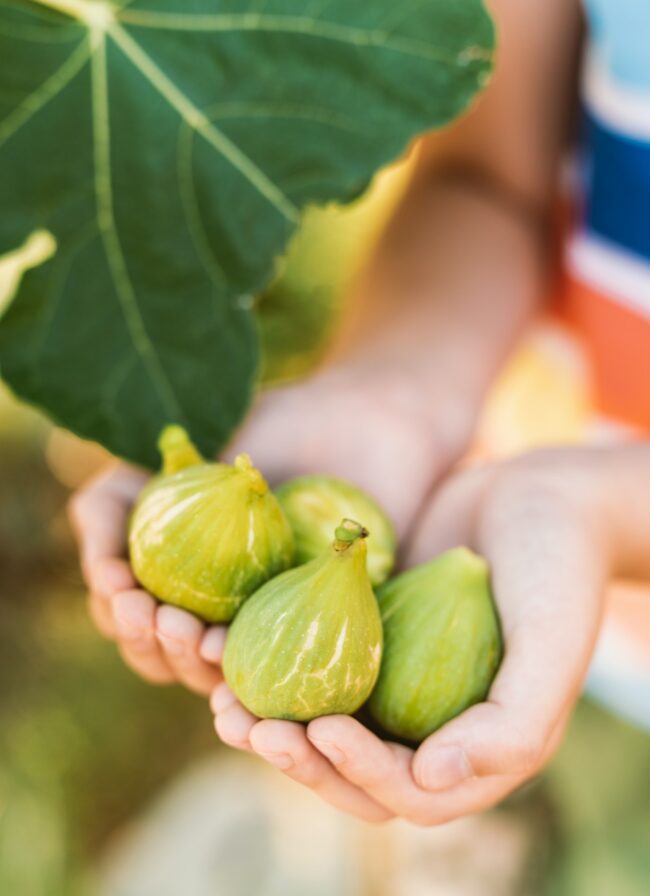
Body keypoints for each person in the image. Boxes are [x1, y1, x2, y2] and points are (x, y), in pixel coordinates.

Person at [69, 0, 650, 826]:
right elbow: (488, 177)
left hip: (555, 580)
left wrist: (605, 512)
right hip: (551, 626)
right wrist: (392, 391)